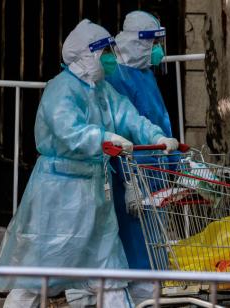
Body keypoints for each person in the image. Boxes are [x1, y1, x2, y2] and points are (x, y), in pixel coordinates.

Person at [0, 19, 179, 308]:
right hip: (60, 194)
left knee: (109, 271)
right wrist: (103, 138)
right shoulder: (61, 89)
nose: (109, 58)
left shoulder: (102, 90)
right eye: (103, 52)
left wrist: (157, 135)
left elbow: (130, 117)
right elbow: (67, 131)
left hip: (95, 192)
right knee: (38, 273)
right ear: (85, 55)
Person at [100, 11, 175, 305]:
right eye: (153, 42)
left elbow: (153, 122)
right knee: (137, 239)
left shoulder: (143, 74)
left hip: (153, 169)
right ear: (136, 42)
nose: (157, 49)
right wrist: (130, 178)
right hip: (133, 173)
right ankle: (142, 292)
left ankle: (147, 289)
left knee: (152, 237)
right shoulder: (118, 77)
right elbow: (123, 129)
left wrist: (174, 159)